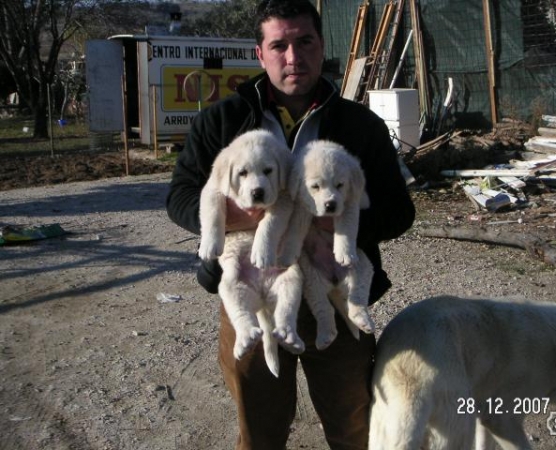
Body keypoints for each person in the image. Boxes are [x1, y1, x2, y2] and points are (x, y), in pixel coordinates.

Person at [166, 0, 415, 448]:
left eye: (305, 42)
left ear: (322, 46)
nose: (293, 56)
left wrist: (333, 219)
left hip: (335, 292)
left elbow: (400, 210)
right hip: (254, 288)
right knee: (259, 430)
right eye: (279, 45)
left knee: (354, 424)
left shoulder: (361, 126)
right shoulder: (220, 122)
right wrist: (238, 216)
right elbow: (181, 194)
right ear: (260, 54)